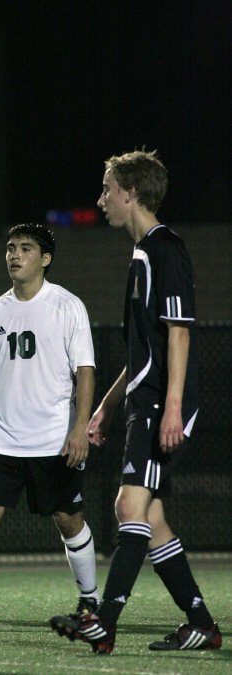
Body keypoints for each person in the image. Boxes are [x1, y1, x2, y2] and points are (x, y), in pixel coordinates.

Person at [50, 149, 222, 653]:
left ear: (130, 192)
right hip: (142, 403)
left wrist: (170, 407)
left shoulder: (166, 250)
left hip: (158, 407)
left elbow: (179, 334)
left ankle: (103, 621)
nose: (101, 199)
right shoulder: (143, 252)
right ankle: (201, 625)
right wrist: (105, 404)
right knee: (153, 522)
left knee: (130, 506)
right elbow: (142, 350)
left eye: (107, 189)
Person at [0, 223, 99, 632]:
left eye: (25, 249)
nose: (14, 255)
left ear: (45, 259)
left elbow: (85, 372)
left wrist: (79, 428)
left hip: (52, 438)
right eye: (10, 248)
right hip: (2, 437)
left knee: (68, 519)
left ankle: (89, 601)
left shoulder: (67, 306)